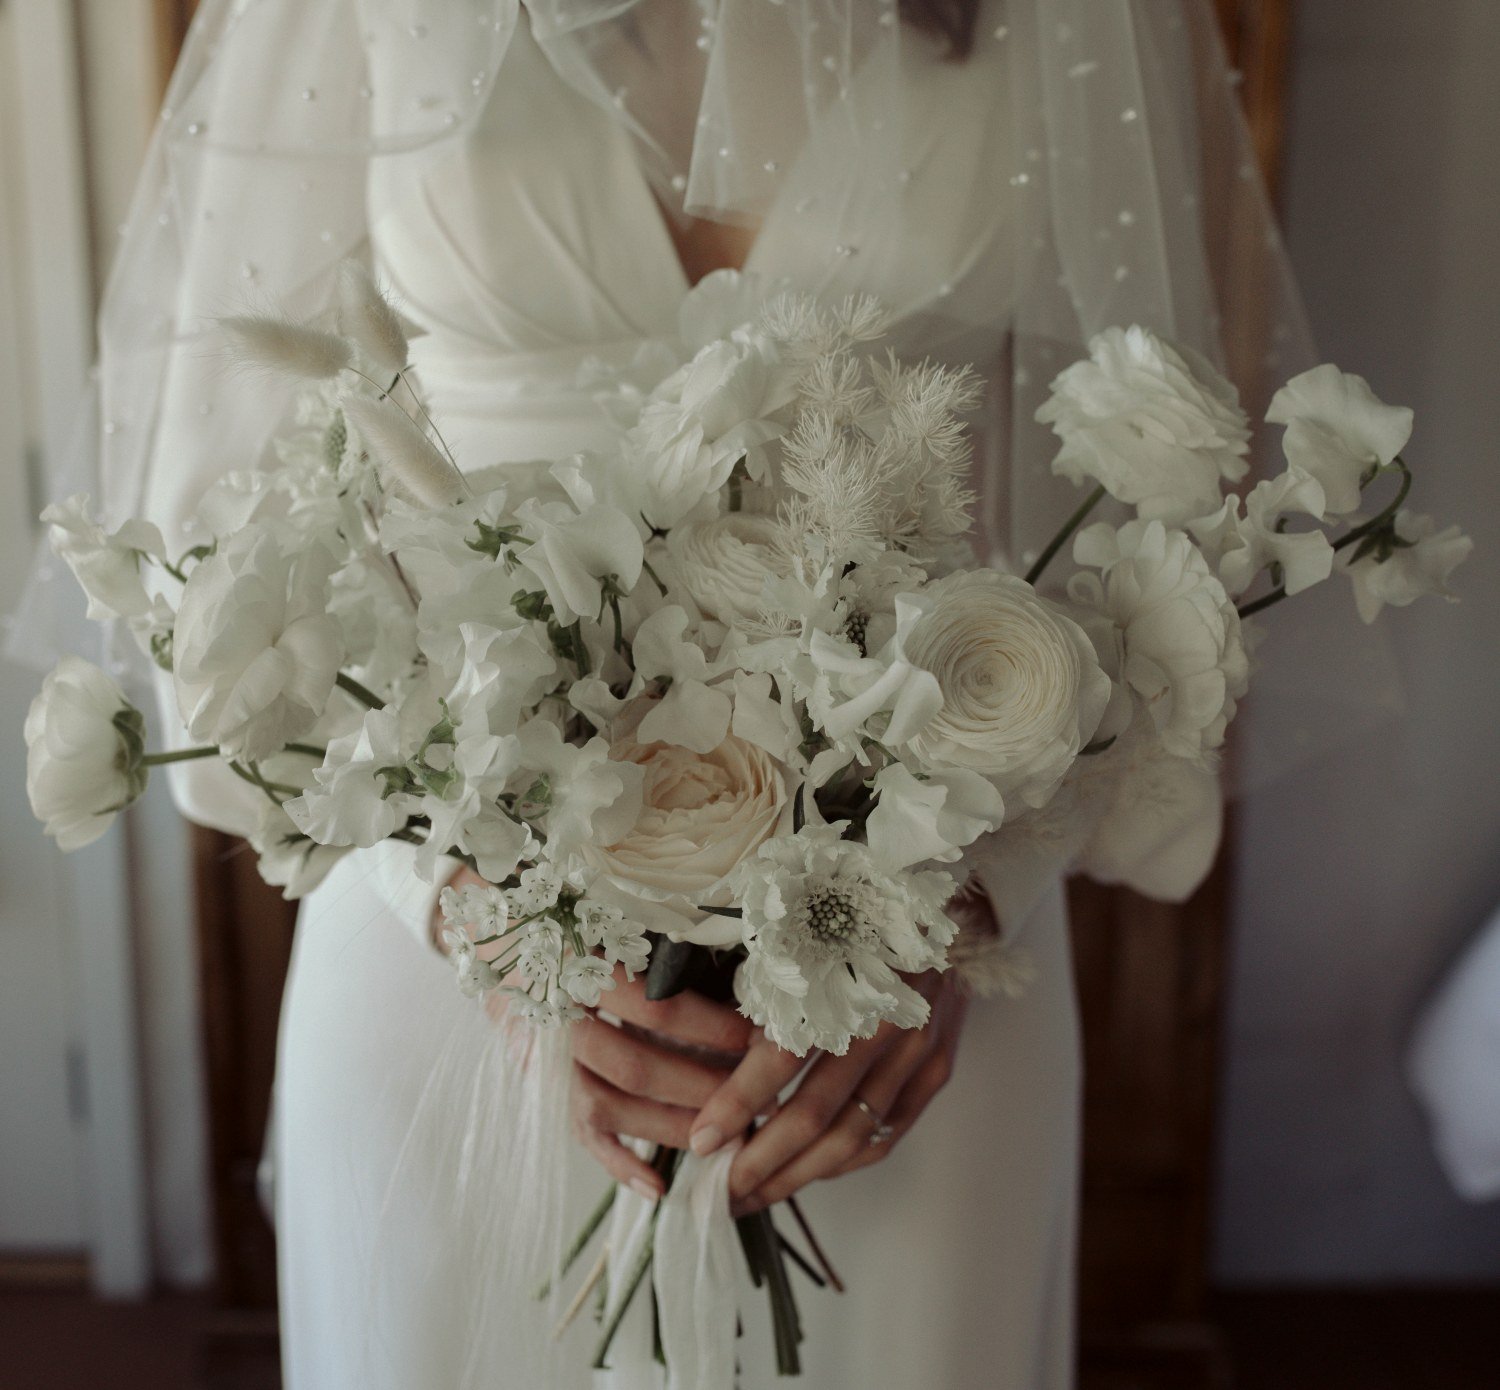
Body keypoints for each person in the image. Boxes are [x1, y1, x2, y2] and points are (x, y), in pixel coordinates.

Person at [78, 1, 1319, 1385]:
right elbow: (214, 552)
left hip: (894, 1012)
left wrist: (964, 901)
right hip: (445, 946)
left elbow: (1156, 550)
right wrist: (477, 910)